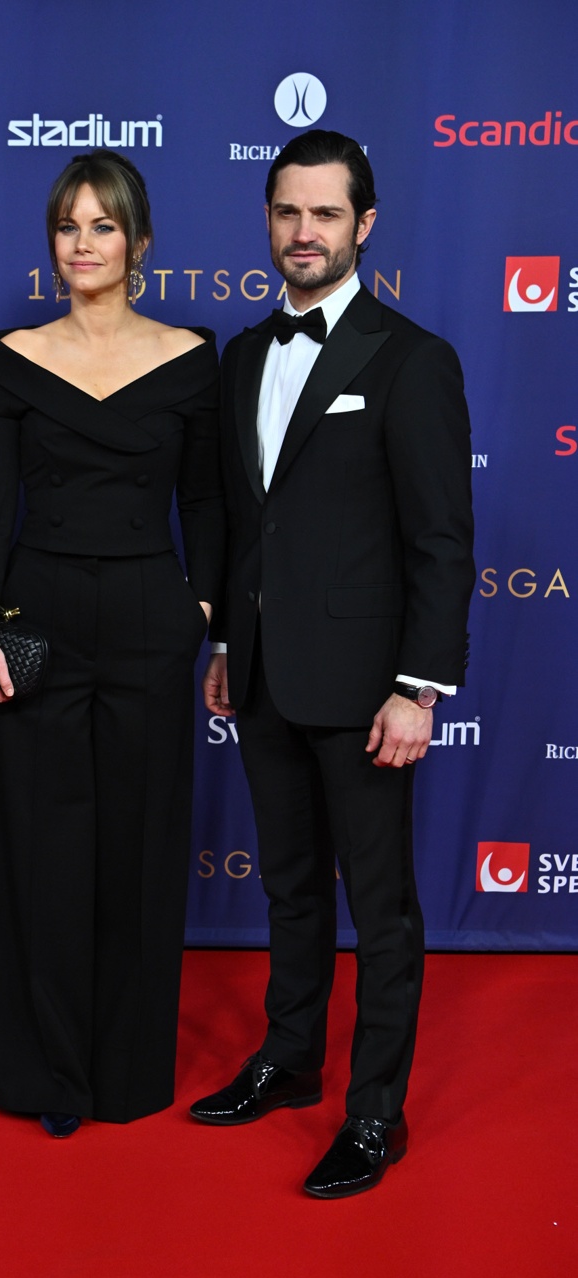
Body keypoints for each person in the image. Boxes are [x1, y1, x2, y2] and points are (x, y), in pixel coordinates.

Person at [189, 130, 474, 1196]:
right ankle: (290, 1058)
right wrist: (224, 640)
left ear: (364, 224)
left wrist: (418, 686)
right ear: (266, 222)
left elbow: (442, 540)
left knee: (382, 905)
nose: (301, 232)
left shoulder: (413, 359)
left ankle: (375, 1113)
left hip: (366, 689)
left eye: (323, 213)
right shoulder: (242, 357)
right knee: (292, 888)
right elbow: (238, 521)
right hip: (261, 673)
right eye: (285, 212)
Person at [0, 150, 224, 1136]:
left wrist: (202, 610)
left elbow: (207, 499)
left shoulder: (193, 356)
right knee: (40, 844)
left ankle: (127, 1072)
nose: (83, 243)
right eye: (68, 226)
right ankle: (46, 1077)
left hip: (154, 620)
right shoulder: (14, 354)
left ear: (139, 242)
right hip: (34, 624)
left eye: (102, 226)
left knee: (143, 847)